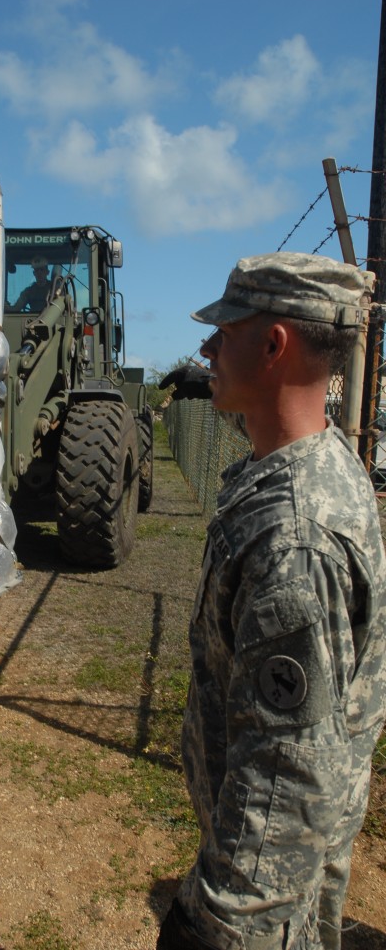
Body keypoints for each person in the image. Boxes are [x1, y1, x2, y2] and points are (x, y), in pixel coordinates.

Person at [157, 252, 386, 950]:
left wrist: (219, 921)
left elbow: (284, 778)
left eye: (225, 330)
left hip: (263, 902)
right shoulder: (307, 461)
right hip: (289, 873)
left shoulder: (295, 534)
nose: (207, 346)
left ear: (274, 343)